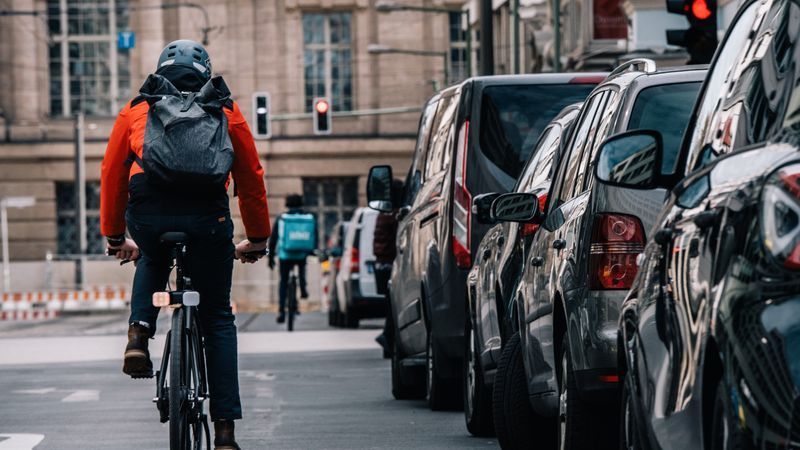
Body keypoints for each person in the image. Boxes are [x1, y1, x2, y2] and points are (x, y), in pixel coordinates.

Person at [100, 39, 270, 450]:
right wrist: (258, 237)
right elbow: (251, 180)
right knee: (216, 318)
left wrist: (115, 235)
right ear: (204, 73)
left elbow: (111, 174)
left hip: (149, 213)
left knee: (153, 256)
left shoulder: (138, 108)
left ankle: (139, 334)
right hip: (208, 222)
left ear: (162, 70)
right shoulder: (226, 110)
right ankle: (226, 431)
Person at [268, 194, 318, 324]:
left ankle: (281, 311)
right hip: (302, 254)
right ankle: (303, 289)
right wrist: (312, 250)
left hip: (285, 255)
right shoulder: (309, 217)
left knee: (283, 282)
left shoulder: (282, 218)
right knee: (302, 269)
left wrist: (271, 257)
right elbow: (314, 235)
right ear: (301, 204)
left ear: (287, 204)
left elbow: (273, 239)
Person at [374, 179, 404, 358]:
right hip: (390, 263)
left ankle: (387, 337)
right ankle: (388, 338)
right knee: (393, 306)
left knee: (390, 305)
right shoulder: (393, 215)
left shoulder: (383, 212)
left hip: (382, 262)